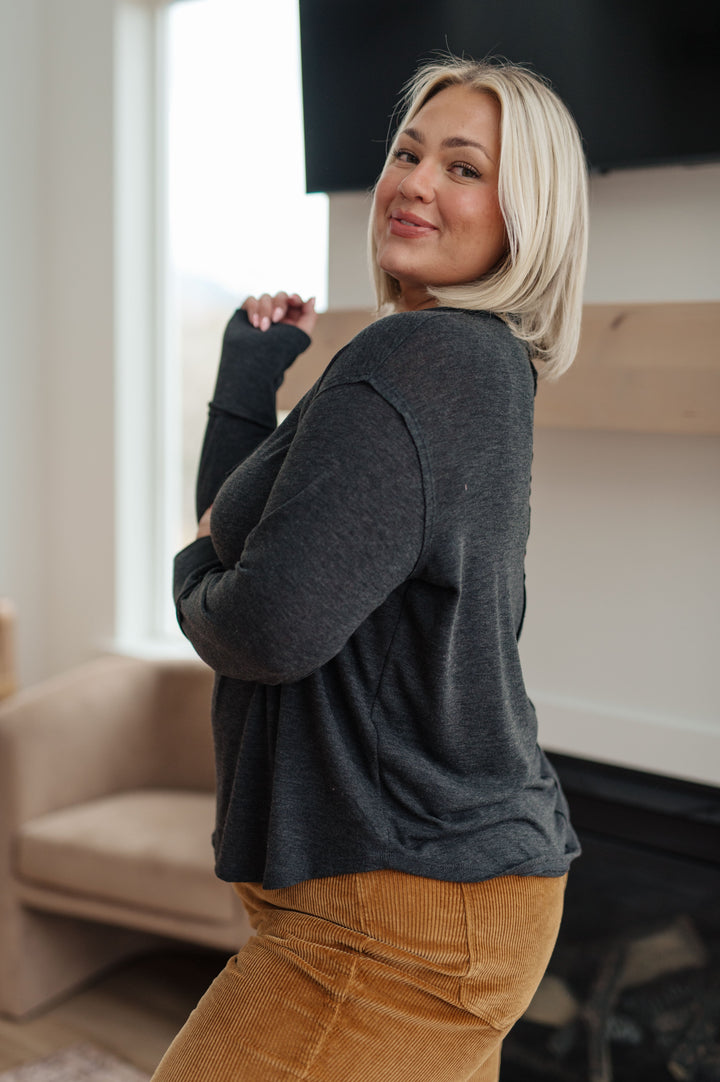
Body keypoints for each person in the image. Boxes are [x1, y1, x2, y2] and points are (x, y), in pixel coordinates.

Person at [153, 54, 587, 1082]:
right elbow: (250, 536)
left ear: (526, 215)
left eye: (464, 167)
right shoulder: (467, 362)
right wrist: (247, 383)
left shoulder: (418, 362)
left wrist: (183, 578)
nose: (416, 180)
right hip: (445, 891)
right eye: (407, 151)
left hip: (393, 917)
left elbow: (265, 621)